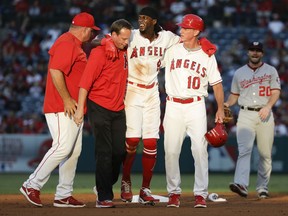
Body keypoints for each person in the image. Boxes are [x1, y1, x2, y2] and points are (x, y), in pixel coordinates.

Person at [19, 12, 100, 207]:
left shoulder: (74, 44)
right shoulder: (67, 42)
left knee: (73, 151)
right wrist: (66, 99)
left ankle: (63, 194)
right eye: (92, 31)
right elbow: (55, 70)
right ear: (85, 29)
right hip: (62, 106)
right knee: (63, 147)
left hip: (73, 106)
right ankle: (32, 184)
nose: (93, 35)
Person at [162, 14, 225, 208]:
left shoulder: (207, 54)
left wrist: (220, 109)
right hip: (172, 105)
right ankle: (174, 192)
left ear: (196, 31)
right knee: (171, 151)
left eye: (186, 28)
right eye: (181, 27)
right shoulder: (172, 49)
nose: (181, 30)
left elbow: (217, 84)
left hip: (196, 105)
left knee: (199, 150)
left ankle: (200, 193)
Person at [119, 7, 181, 205]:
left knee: (152, 142)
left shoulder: (167, 37)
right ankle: (126, 181)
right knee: (132, 139)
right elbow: (111, 38)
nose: (141, 20)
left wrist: (204, 43)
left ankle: (145, 188)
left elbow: (186, 42)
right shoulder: (132, 35)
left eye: (145, 17)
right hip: (132, 90)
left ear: (154, 21)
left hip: (152, 91)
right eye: (139, 17)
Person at [73, 19, 132, 208]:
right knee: (104, 152)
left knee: (120, 152)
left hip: (118, 108)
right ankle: (103, 196)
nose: (126, 42)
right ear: (113, 35)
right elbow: (85, 83)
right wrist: (80, 111)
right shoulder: (99, 53)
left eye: (127, 39)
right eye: (122, 38)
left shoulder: (123, 50)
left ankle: (104, 186)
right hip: (98, 106)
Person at [224, 41, 281, 199]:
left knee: (265, 154)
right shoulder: (239, 73)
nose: (255, 53)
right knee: (244, 151)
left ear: (262, 53)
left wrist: (268, 106)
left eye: (258, 50)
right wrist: (227, 103)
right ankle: (241, 184)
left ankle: (262, 187)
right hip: (245, 114)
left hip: (265, 114)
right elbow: (235, 95)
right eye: (252, 50)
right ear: (248, 52)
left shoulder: (271, 70)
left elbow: (276, 92)